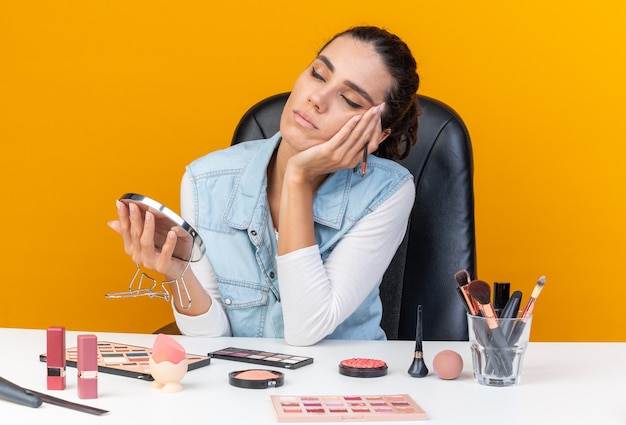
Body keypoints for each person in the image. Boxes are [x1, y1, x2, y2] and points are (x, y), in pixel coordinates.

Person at [109, 25, 420, 346]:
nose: (317, 98)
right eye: (318, 74)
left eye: (350, 100)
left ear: (376, 136)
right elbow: (213, 341)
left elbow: (306, 330)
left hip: (345, 385)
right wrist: (178, 274)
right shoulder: (206, 181)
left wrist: (297, 178)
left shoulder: (388, 192)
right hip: (241, 386)